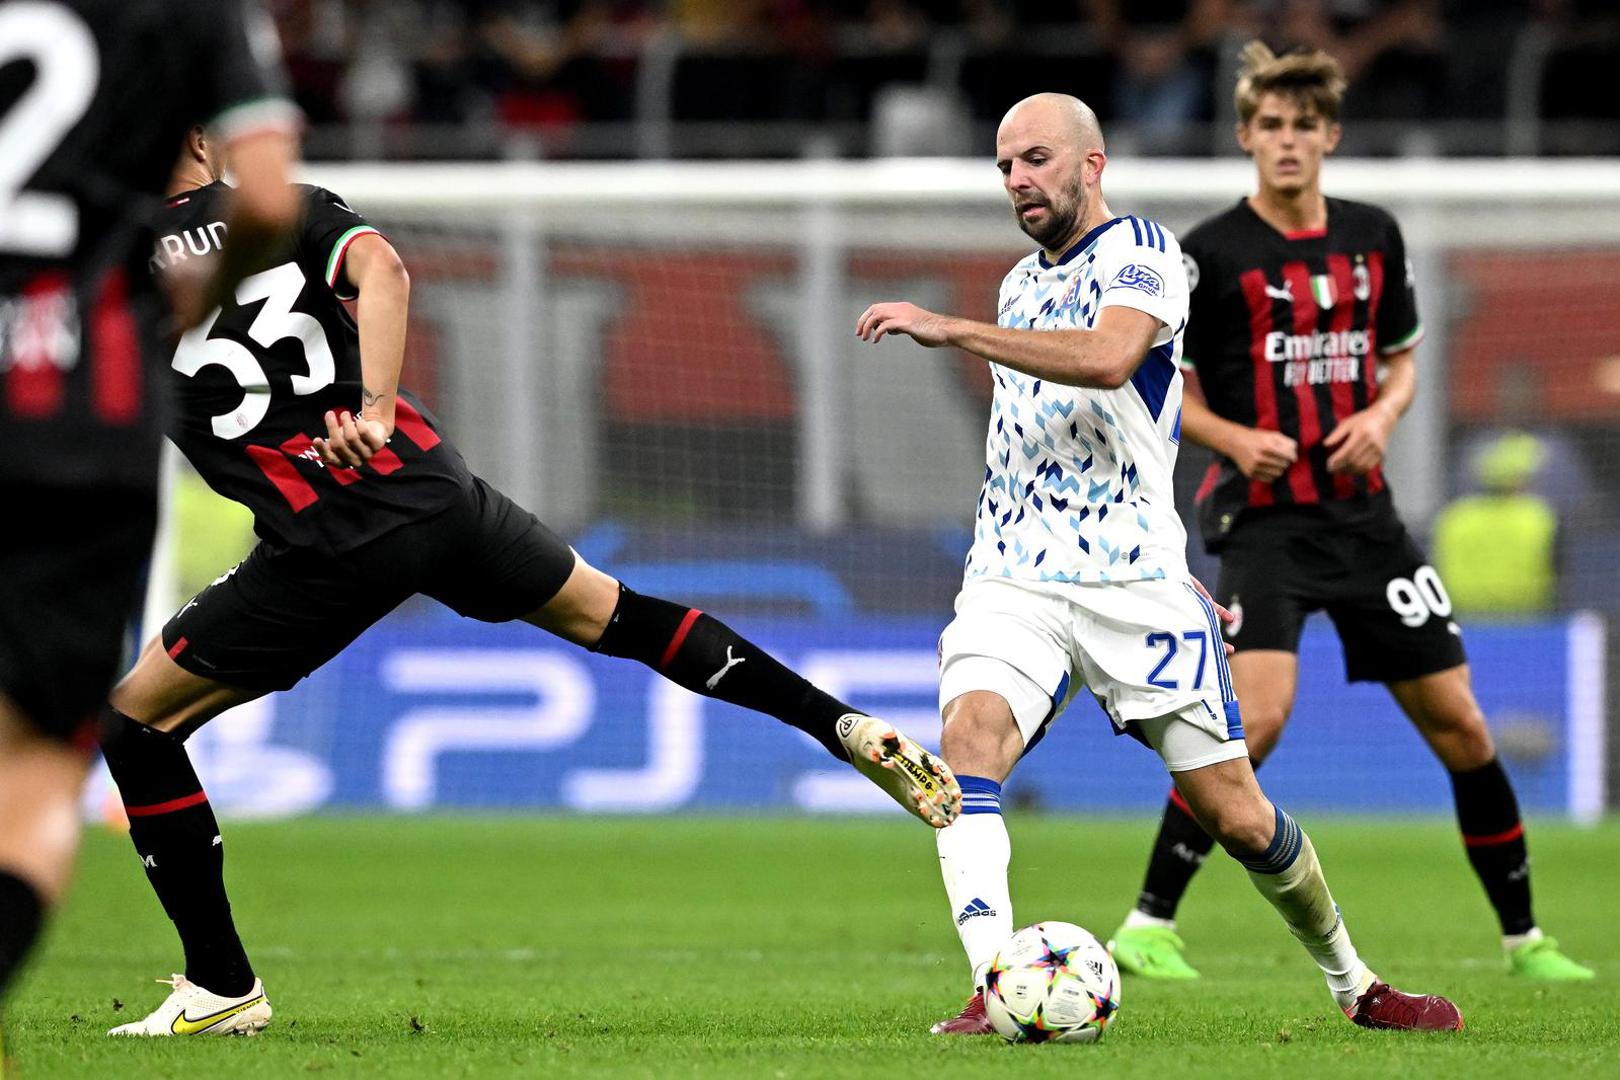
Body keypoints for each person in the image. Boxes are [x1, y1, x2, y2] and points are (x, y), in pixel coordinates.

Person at [100, 126, 960, 1036]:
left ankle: (221, 984)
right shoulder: (289, 209)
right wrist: (380, 409)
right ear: (203, 142)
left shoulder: (111, 265)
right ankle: (837, 725)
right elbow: (386, 271)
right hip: (436, 490)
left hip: (329, 535)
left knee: (137, 721)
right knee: (616, 615)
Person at [855, 92, 1461, 1035]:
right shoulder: (1020, 284)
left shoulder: (1145, 253)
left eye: (1038, 160)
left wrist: (951, 327)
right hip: (1014, 580)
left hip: (1133, 586)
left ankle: (1358, 985)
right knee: (968, 746)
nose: (1018, 179)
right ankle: (994, 989)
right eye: (1006, 165)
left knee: (1238, 815)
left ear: (1091, 166)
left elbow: (1108, 359)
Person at [1107, 42, 1592, 983]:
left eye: (1304, 126)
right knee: (1260, 719)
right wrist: (1236, 439)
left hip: (1367, 522)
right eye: (1270, 126)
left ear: (1330, 134)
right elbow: (1167, 392)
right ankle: (1147, 922)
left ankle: (1527, 942)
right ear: (1246, 135)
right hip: (1264, 519)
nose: (1288, 142)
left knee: (1462, 724)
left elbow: (1401, 358)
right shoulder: (1207, 256)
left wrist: (1382, 411)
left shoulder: (1374, 235)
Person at [0, 0, 300, 1012]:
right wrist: (171, 301)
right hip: (84, 411)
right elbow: (267, 199)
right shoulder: (191, 15)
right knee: (40, 768)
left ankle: (221, 982)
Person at [1432, 431, 1558, 616]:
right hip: (1525, 621)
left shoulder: (1454, 517)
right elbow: (1557, 573)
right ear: (1518, 480)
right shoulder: (1538, 516)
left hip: (1463, 620)